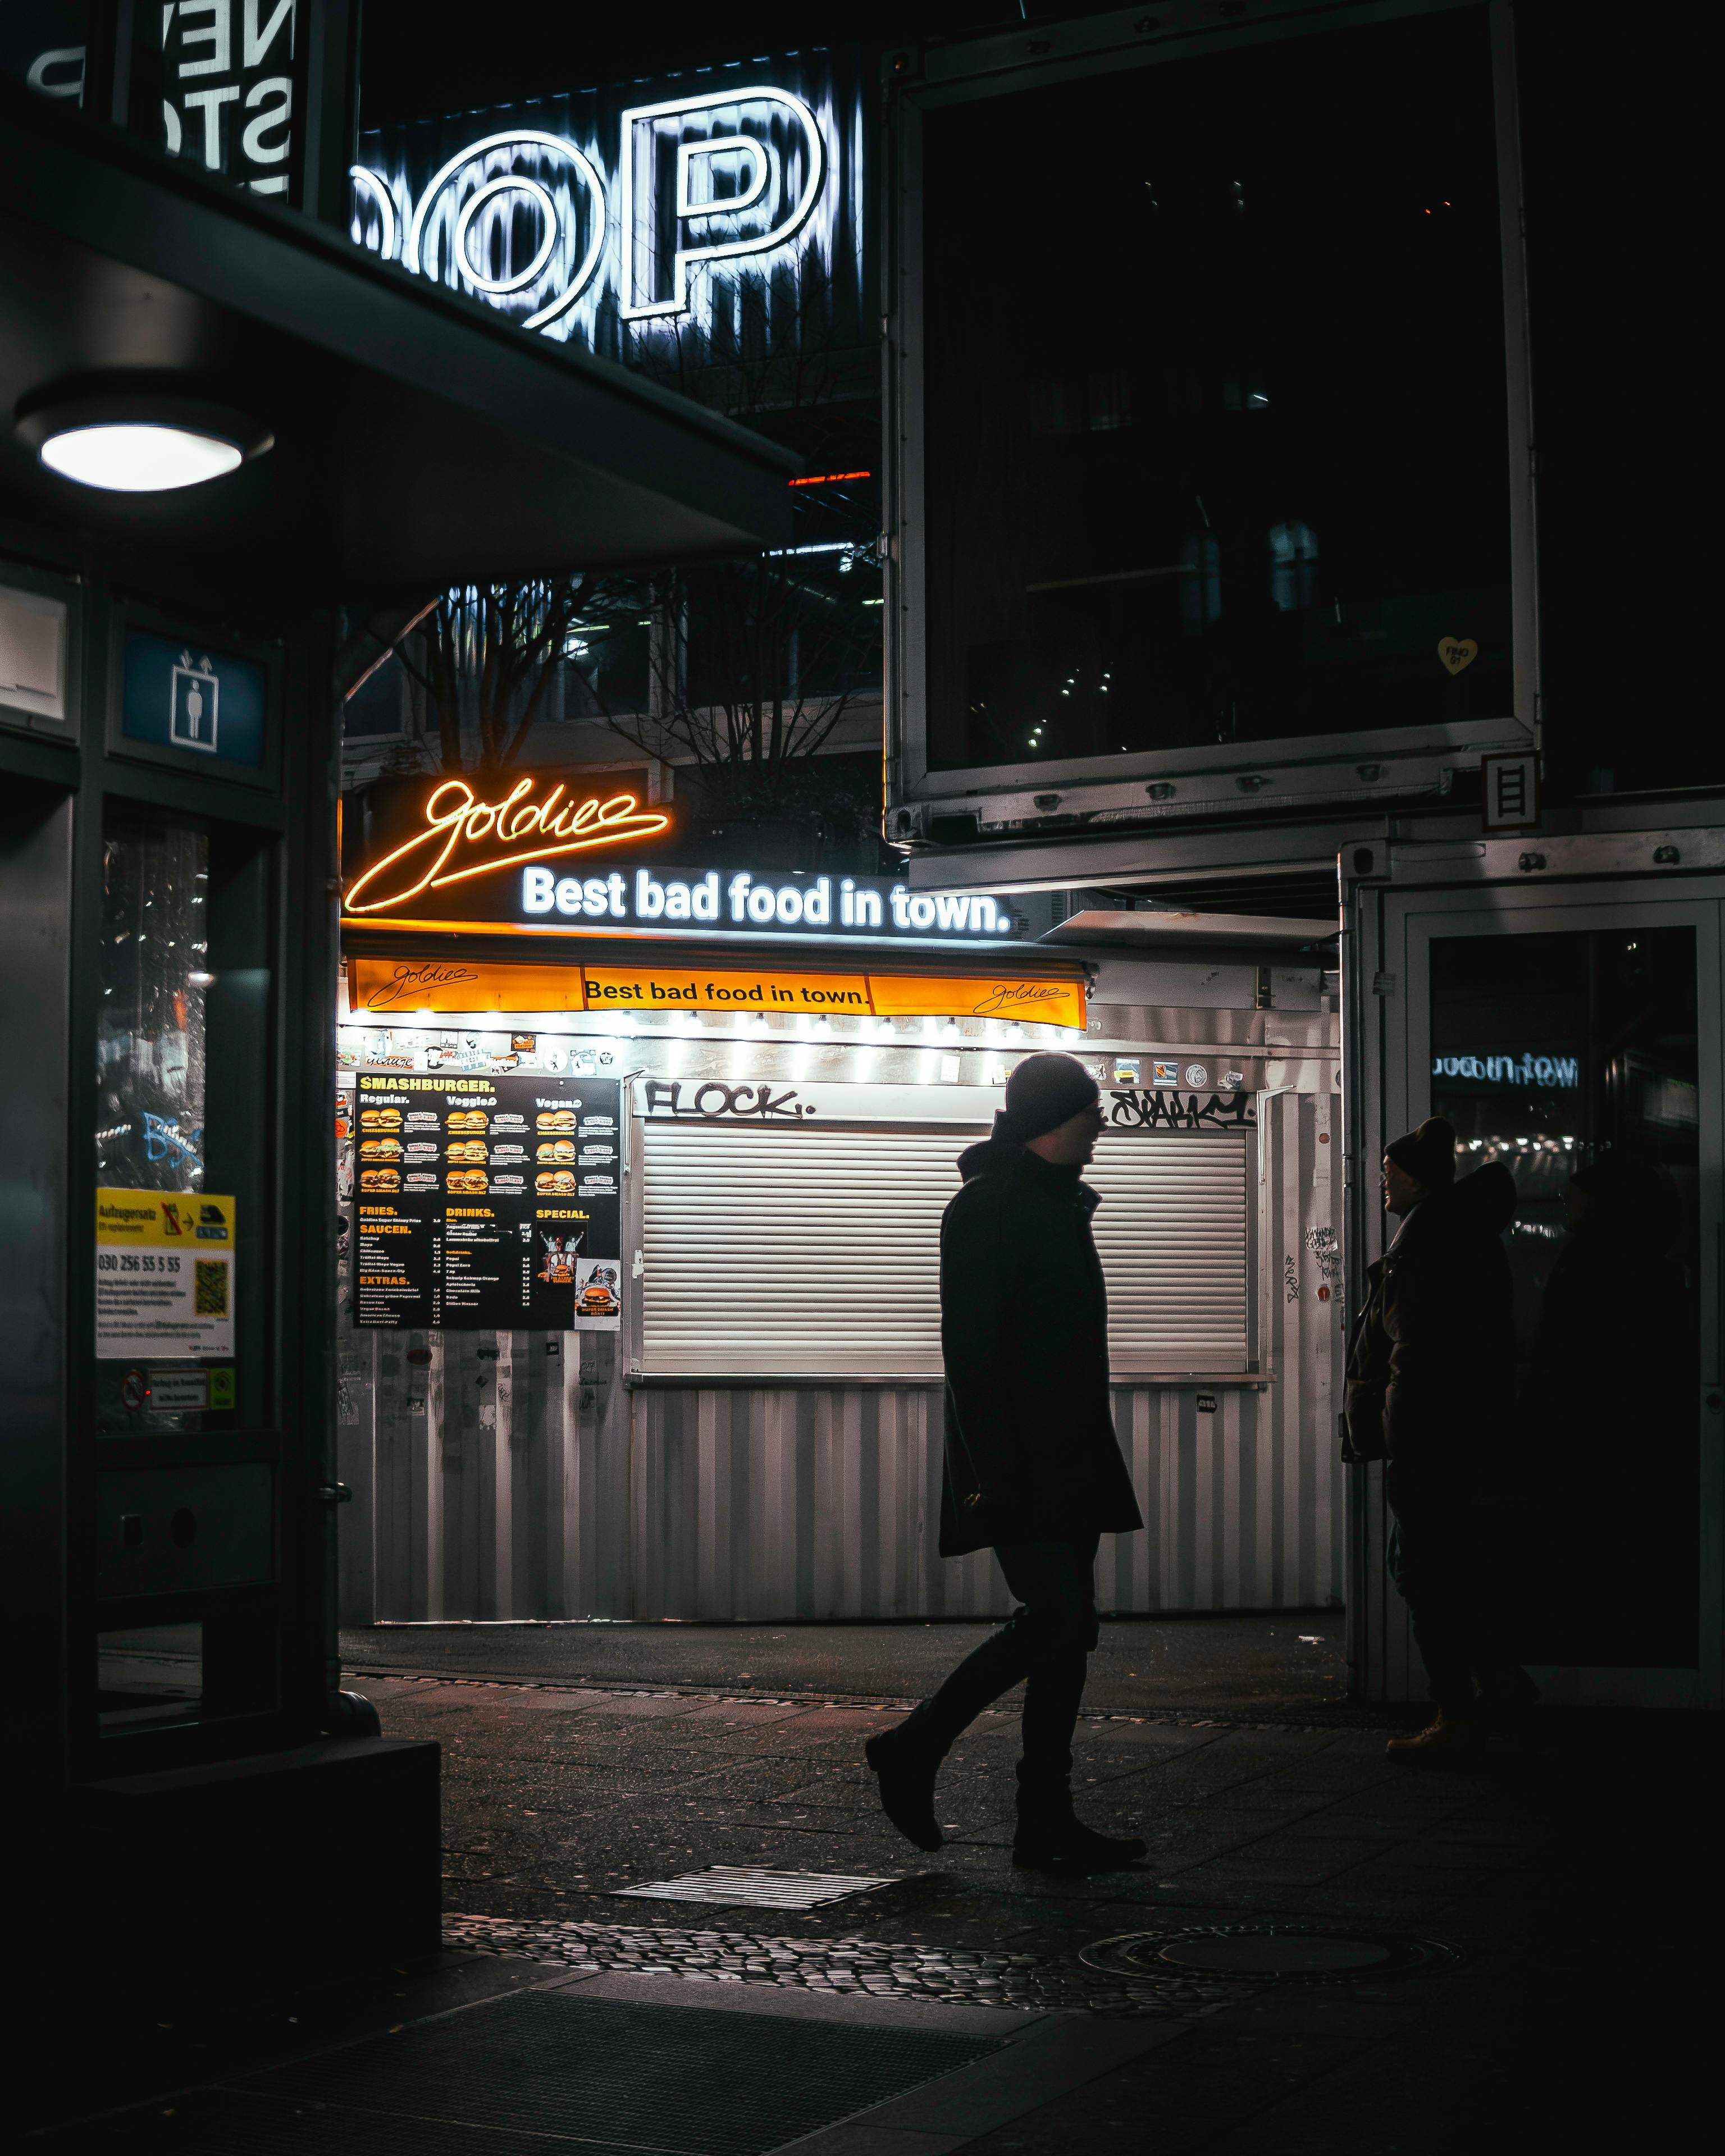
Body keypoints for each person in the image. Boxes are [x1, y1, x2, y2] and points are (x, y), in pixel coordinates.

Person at [864, 1052, 1148, 1873]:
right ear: (1058, 1115)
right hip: (1023, 1465)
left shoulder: (1059, 1206)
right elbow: (974, 1359)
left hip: (1070, 1460)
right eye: (1092, 1109)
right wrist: (991, 1476)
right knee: (1060, 1623)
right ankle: (915, 1748)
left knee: (1067, 1638)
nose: (1102, 1124)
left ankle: (1043, 1820)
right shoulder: (988, 1207)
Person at [1344, 1115, 1534, 1758]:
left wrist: (1395, 1423)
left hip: (1431, 1438)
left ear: (1417, 1179)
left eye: (1390, 1173)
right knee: (1449, 1566)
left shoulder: (1428, 1242)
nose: (1383, 1183)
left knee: (1425, 1573)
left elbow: (1414, 1349)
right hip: (1458, 1434)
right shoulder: (1461, 1233)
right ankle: (1494, 1682)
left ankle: (1459, 1710)